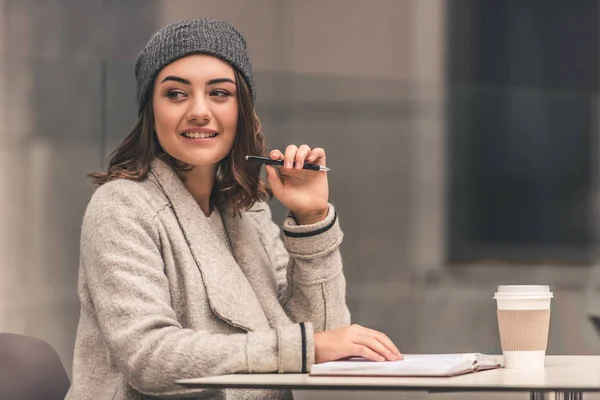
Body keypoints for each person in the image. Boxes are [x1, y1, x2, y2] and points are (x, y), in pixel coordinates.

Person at [66, 18, 402, 400]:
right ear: (150, 110)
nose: (198, 111)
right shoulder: (121, 206)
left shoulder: (249, 211)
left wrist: (312, 219)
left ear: (241, 109)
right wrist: (305, 349)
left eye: (219, 94)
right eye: (175, 94)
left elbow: (320, 335)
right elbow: (150, 358)